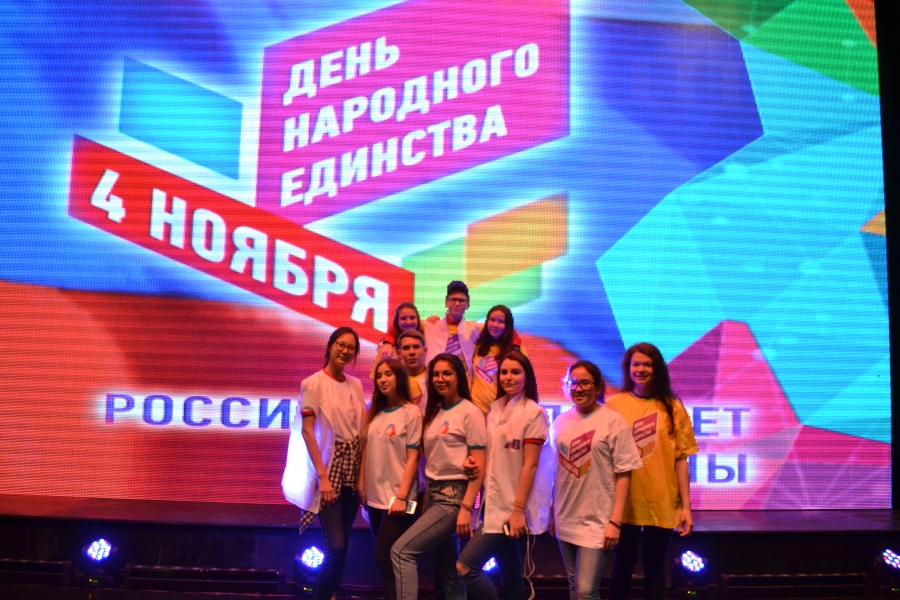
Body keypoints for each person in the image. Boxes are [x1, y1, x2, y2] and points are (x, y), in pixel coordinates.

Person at [456, 351, 553, 600]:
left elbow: (531, 466)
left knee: (466, 566)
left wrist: (518, 510)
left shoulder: (534, 413)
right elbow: (490, 456)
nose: (508, 377)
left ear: (527, 376)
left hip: (510, 510)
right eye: (504, 372)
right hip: (491, 504)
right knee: (511, 575)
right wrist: (471, 463)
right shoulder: (495, 409)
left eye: (515, 372)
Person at [607, 343, 699, 600]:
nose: (641, 369)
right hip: (623, 502)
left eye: (647, 364)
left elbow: (681, 460)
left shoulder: (673, 407)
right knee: (622, 565)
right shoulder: (614, 405)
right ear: (628, 368)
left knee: (655, 567)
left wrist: (686, 507)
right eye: (636, 364)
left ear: (657, 368)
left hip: (661, 500)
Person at [391, 353, 486, 600]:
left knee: (401, 552)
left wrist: (467, 508)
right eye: (435, 374)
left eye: (447, 373)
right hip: (433, 494)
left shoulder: (470, 412)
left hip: (454, 497)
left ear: (459, 377)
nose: (440, 379)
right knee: (448, 572)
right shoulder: (434, 411)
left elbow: (480, 465)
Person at [282, 327, 366, 600]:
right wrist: (323, 477)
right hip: (328, 467)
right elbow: (308, 432)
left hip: (353, 464)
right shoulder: (312, 383)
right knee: (335, 545)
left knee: (344, 541)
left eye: (351, 347)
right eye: (341, 344)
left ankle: (333, 594)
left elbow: (360, 430)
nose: (345, 351)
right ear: (330, 346)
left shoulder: (355, 384)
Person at [551, 360, 644, 600]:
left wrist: (615, 522)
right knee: (573, 585)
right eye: (573, 383)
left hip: (598, 521)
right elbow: (556, 471)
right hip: (565, 517)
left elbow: (624, 474)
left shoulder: (613, 421)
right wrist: (552, 512)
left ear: (599, 386)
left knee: (585, 591)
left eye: (585, 383)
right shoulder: (560, 422)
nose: (578, 388)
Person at [357, 359, 422, 600]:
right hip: (375, 495)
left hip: (401, 498)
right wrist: (362, 483)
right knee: (387, 562)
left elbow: (413, 457)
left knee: (385, 557)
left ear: (399, 378)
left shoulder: (411, 412)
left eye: (388, 374)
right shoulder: (374, 412)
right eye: (379, 376)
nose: (382, 379)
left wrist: (402, 496)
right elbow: (366, 450)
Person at [468, 305, 526, 414]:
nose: (495, 325)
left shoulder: (516, 349)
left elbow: (524, 381)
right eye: (492, 320)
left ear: (507, 325)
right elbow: (464, 326)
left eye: (501, 322)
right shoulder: (478, 344)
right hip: (476, 410)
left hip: (503, 413)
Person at [423, 281, 481, 373]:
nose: (457, 303)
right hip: (437, 379)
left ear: (468, 305)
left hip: (464, 381)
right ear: (446, 302)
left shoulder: (475, 328)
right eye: (453, 300)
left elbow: (501, 326)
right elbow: (404, 323)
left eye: (461, 300)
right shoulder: (431, 326)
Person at [371, 303, 424, 378]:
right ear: (397, 321)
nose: (408, 322)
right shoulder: (384, 349)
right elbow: (376, 378)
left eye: (412, 318)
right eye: (403, 318)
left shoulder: (427, 336)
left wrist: (433, 319)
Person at [396, 329, 429, 410]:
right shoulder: (393, 383)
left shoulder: (435, 379)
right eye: (406, 348)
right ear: (399, 354)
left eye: (416, 347)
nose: (411, 352)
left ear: (425, 351)